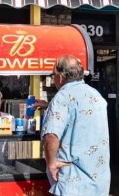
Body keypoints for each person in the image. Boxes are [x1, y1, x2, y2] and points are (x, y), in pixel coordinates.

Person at [41, 55, 110, 196]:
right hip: (99, 181)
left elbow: (51, 137)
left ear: (60, 77)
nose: (54, 78)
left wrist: (51, 164)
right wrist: (48, 107)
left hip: (74, 183)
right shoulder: (96, 95)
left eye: (53, 75)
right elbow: (81, 116)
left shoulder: (62, 98)